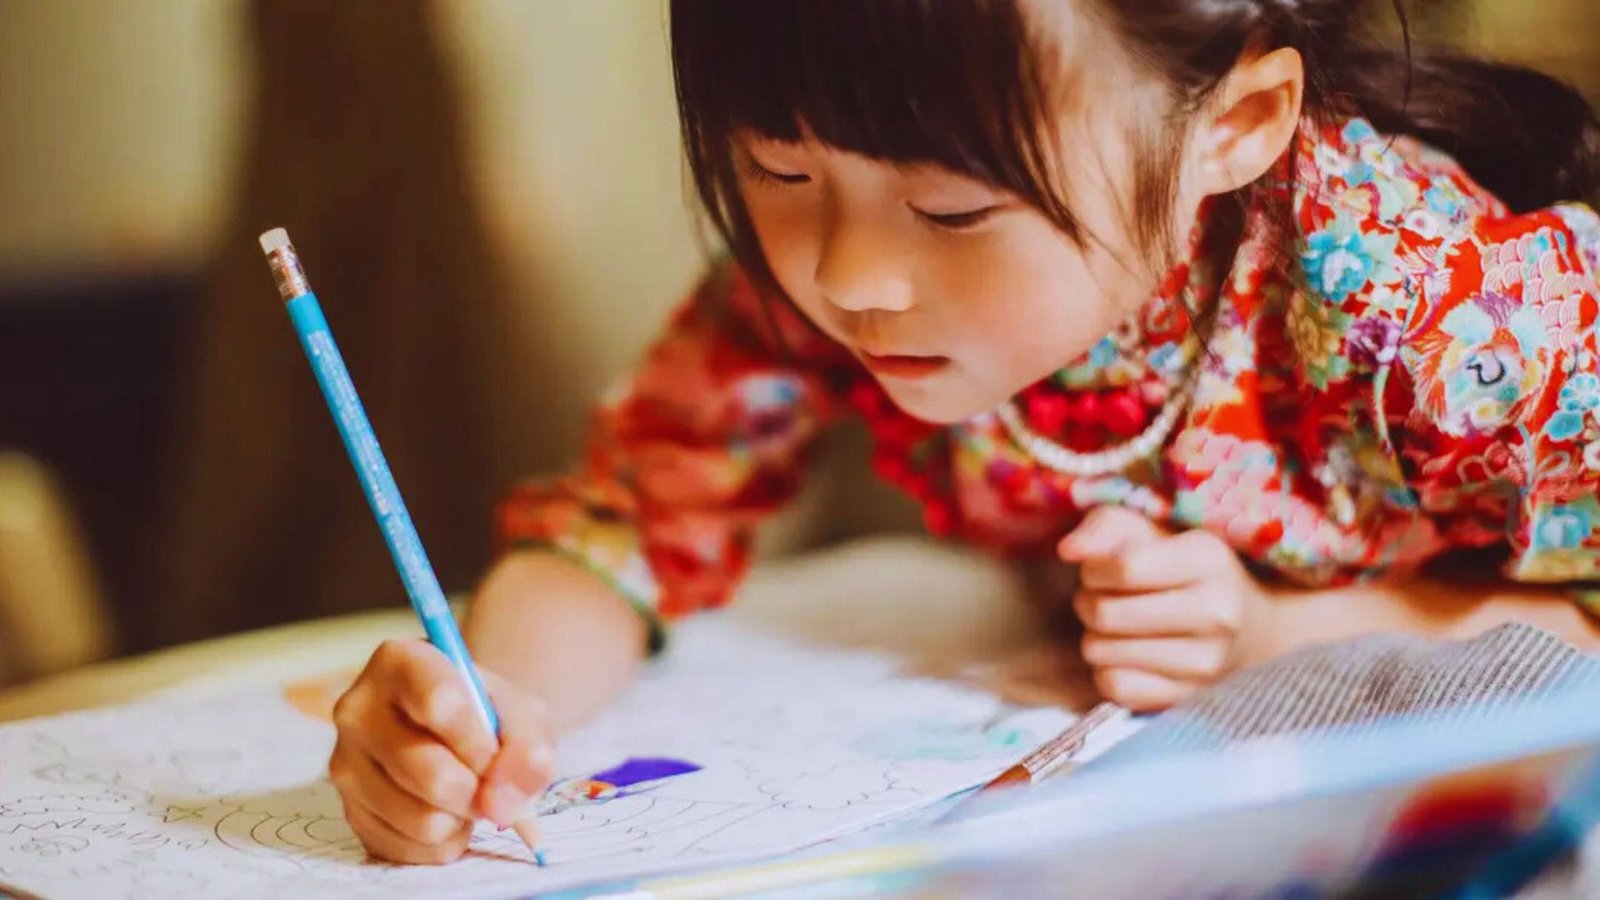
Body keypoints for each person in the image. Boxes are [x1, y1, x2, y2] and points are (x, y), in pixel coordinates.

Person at [326, 0, 1600, 864]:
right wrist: (481, 710)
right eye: (779, 170)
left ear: (1236, 126)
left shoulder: (1434, 308)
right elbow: (622, 524)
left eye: (949, 208)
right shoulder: (804, 293)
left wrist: (1290, 632)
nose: (853, 277)